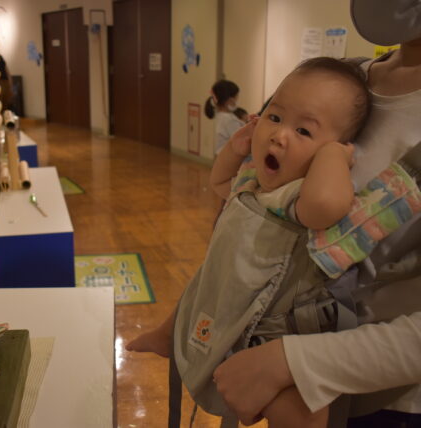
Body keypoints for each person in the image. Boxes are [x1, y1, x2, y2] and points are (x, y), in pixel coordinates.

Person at [130, 56, 385, 427]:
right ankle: (168, 335)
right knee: (193, 297)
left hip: (273, 329)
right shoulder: (254, 182)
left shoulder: (300, 196)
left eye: (304, 132)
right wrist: (236, 149)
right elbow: (220, 183)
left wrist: (333, 157)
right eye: (275, 117)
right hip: (225, 290)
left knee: (299, 405)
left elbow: (327, 205)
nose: (279, 134)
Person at [212, 2, 421, 427]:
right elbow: (255, 188)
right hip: (276, 330)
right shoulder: (343, 78)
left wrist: (293, 363)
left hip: (386, 402)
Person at [204, 80, 245, 155]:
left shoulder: (220, 116)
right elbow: (241, 141)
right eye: (236, 98)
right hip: (229, 159)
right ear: (230, 101)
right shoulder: (229, 120)